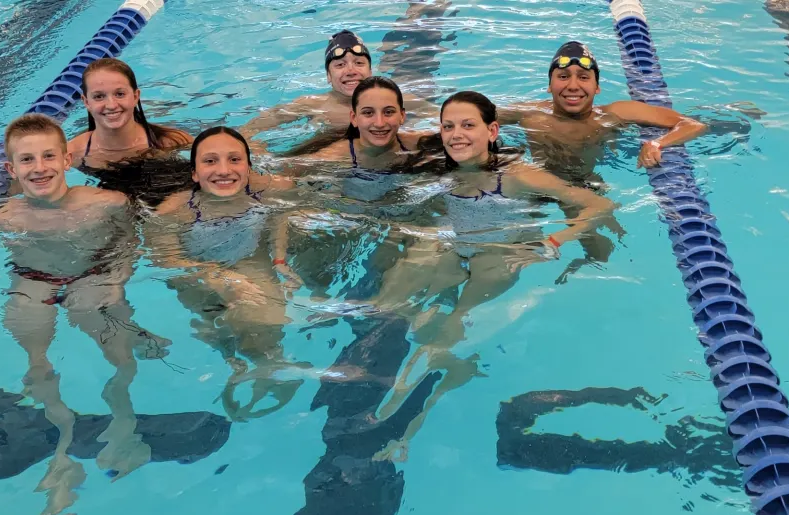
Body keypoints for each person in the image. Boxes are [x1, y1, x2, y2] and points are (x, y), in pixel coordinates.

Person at [362, 91, 616, 460]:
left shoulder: (515, 176)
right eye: (448, 126)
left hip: (502, 254)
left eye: (468, 125)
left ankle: (408, 427)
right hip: (457, 245)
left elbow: (600, 204)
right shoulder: (443, 172)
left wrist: (558, 237)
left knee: (452, 332)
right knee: (391, 304)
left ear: (492, 130)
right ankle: (427, 363)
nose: (456, 134)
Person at [0, 114, 171, 515]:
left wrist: (117, 278)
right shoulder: (2, 215)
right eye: (27, 160)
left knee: (109, 342)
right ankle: (60, 458)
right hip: (32, 279)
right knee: (34, 353)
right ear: (10, 170)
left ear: (67, 158)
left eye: (47, 156)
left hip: (93, 277)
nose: (39, 167)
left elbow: (132, 245)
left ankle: (124, 426)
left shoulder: (108, 203)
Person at [147, 127, 309, 420]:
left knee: (265, 321)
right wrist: (215, 277)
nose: (224, 170)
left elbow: (281, 217)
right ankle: (231, 359)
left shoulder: (274, 190)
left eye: (234, 160)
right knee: (213, 323)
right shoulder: (174, 211)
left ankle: (267, 361)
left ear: (248, 166)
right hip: (197, 273)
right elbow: (166, 260)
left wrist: (280, 260)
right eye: (210, 161)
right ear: (194, 173)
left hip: (251, 262)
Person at [501, 41, 707, 174]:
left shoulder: (616, 113)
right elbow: (474, 115)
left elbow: (692, 125)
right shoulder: (526, 114)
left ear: (597, 87)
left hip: (589, 184)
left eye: (583, 77)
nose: (573, 86)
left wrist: (656, 143)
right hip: (535, 185)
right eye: (563, 77)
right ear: (549, 85)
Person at [239, 30, 431, 140]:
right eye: (340, 65)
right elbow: (251, 128)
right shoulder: (312, 104)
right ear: (328, 76)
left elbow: (441, 119)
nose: (350, 70)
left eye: (359, 63)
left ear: (371, 71)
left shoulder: (400, 100)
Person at [66, 58, 195, 206]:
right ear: (86, 102)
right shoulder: (73, 153)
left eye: (120, 94)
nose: (111, 105)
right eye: (99, 96)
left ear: (135, 96)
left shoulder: (169, 141)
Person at [301, 76, 428, 202]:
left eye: (388, 112)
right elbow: (285, 177)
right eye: (368, 113)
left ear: (402, 115)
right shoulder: (335, 157)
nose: (379, 123)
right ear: (354, 118)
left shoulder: (416, 143)